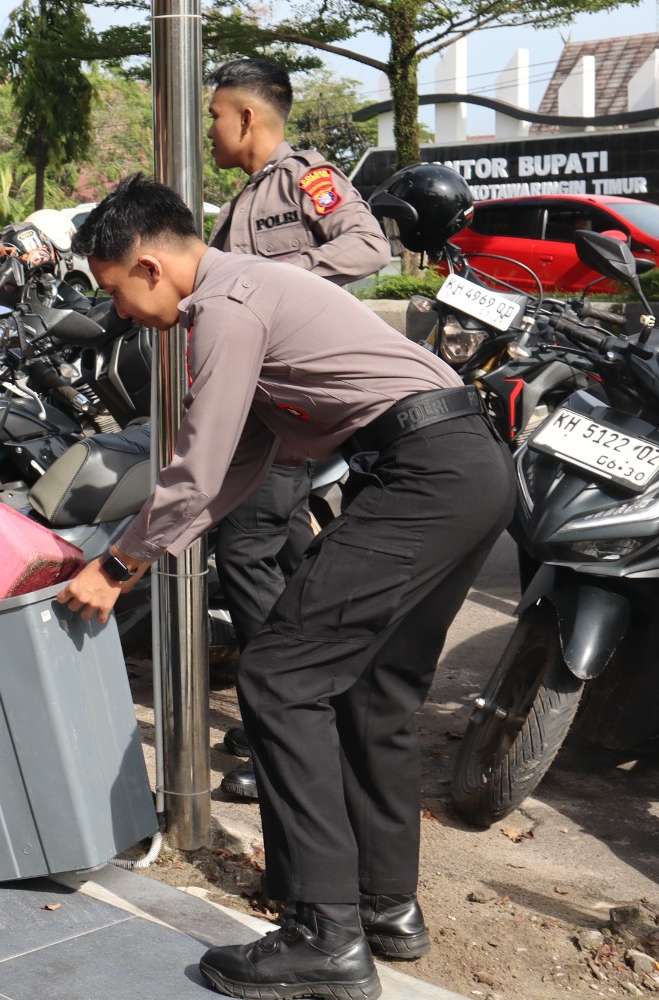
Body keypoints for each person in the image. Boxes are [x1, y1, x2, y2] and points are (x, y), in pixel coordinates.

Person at [57, 176, 512, 1000]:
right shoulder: (254, 289)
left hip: (422, 474)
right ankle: (383, 906)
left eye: (114, 289)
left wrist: (117, 564)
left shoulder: (223, 307)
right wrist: (142, 551)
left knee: (280, 675)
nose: (120, 311)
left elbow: (195, 469)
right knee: (375, 689)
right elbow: (239, 462)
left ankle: (324, 935)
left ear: (150, 266)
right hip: (467, 464)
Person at [202, 56, 391, 800]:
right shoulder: (239, 201)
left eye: (215, 112)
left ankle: (283, 716)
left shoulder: (303, 177)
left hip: (284, 410)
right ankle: (305, 700)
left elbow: (367, 244)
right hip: (258, 405)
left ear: (247, 116)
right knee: (286, 557)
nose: (210, 127)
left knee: (246, 554)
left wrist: (288, 276)